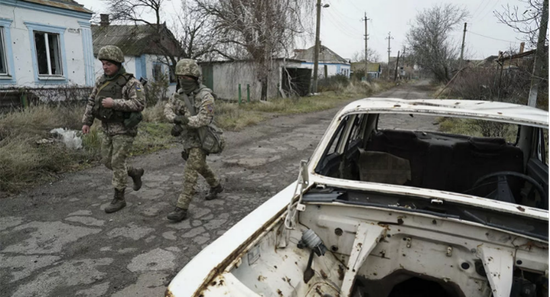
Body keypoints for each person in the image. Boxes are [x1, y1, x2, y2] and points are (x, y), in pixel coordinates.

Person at [81, 45, 146, 213]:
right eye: (103, 63)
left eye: (108, 63)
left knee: (117, 162)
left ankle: (119, 198)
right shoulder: (101, 82)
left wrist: (114, 103)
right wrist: (86, 122)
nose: (105, 67)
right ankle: (134, 172)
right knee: (107, 161)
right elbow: (91, 101)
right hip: (107, 127)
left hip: (124, 129)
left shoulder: (132, 83)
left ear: (117, 63)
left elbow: (139, 104)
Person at [164, 59, 223, 222]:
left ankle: (181, 208)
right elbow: (167, 109)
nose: (183, 80)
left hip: (203, 138)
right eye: (180, 77)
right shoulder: (179, 95)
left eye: (187, 77)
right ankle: (216, 185)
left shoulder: (206, 96)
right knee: (200, 166)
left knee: (190, 172)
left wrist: (184, 122)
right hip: (188, 139)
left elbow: (205, 118)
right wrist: (175, 119)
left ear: (195, 77)